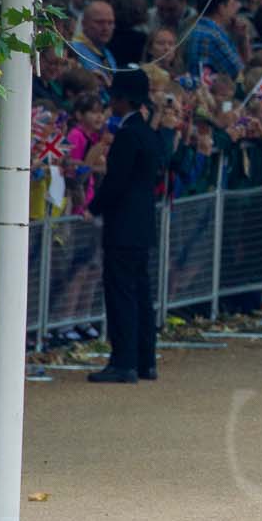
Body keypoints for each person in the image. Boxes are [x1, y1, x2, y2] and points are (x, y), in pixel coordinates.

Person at [85, 67, 161, 384]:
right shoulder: (148, 133)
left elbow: (116, 182)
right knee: (141, 294)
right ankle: (145, 360)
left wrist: (93, 207)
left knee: (122, 296)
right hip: (141, 224)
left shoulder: (128, 135)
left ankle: (124, 361)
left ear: (122, 100)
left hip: (123, 226)